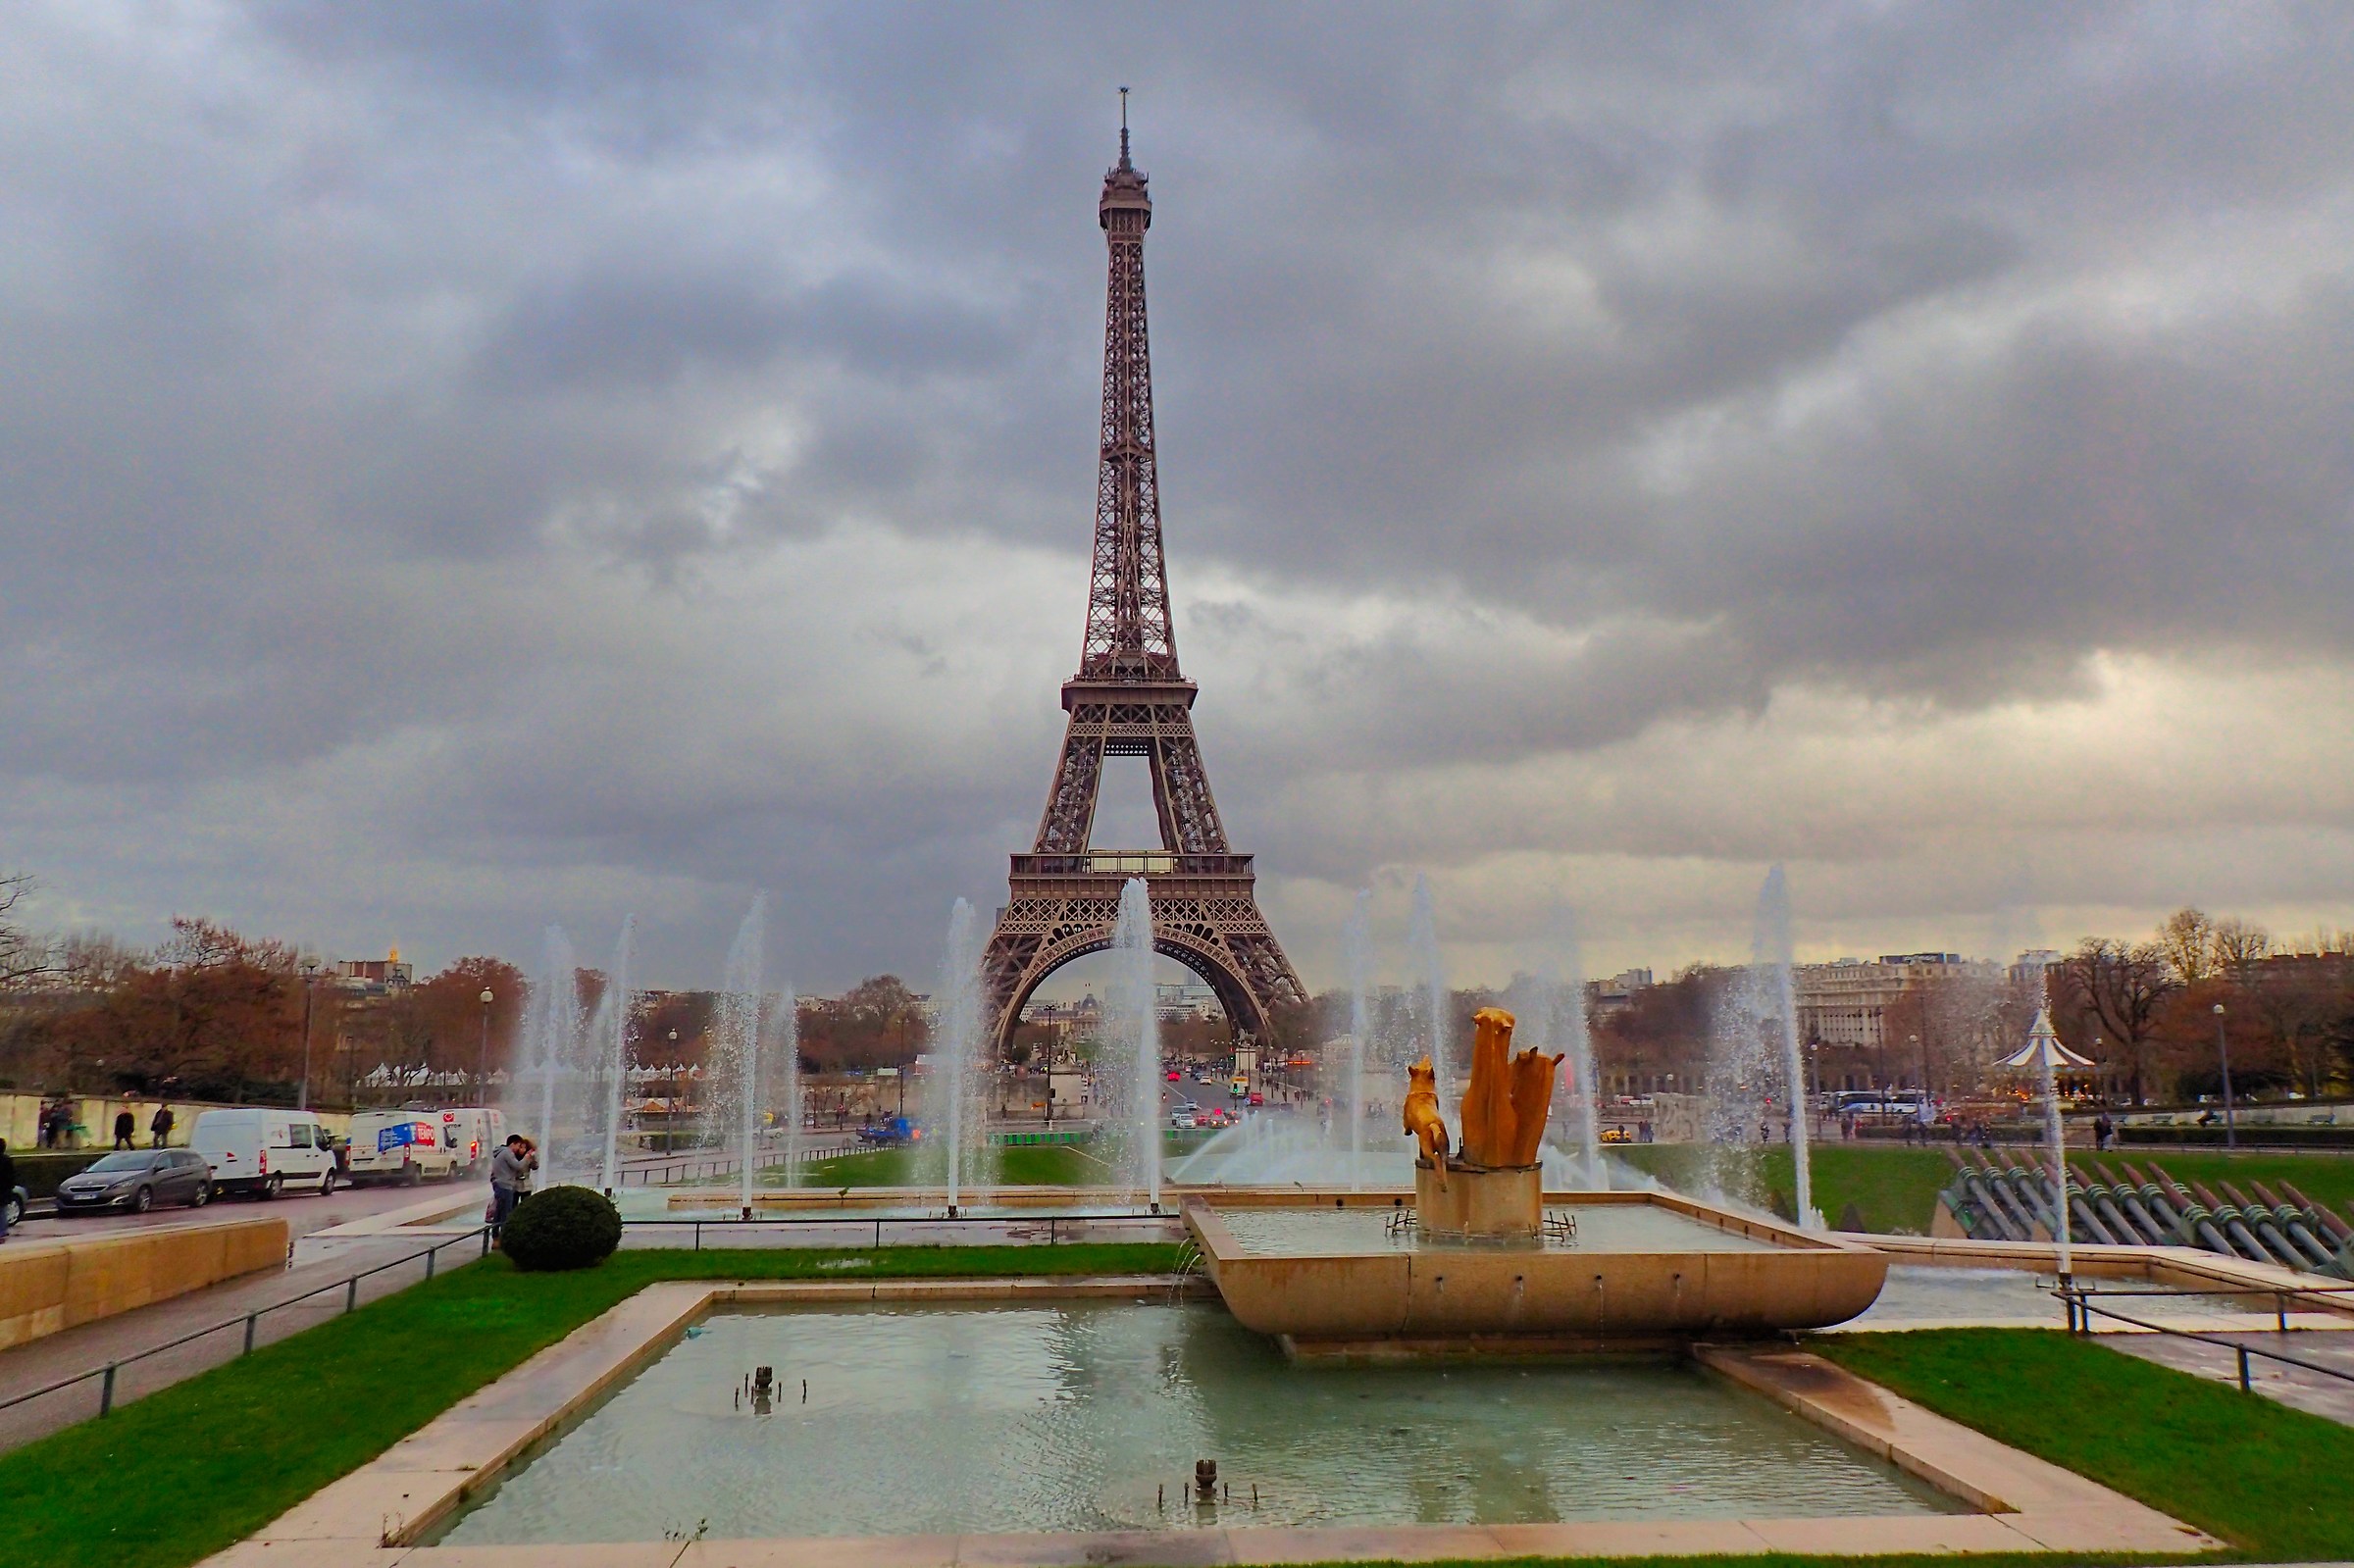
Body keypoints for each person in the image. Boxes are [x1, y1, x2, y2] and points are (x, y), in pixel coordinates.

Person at [488, 1134, 537, 1237]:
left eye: (523, 1147)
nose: (519, 1149)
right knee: (506, 1212)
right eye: (519, 1146)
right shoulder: (508, 1153)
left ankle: (497, 1235)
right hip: (507, 1185)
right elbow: (518, 1166)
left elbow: (534, 1166)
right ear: (513, 1144)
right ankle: (505, 1236)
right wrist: (527, 1157)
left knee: (501, 1212)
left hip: (508, 1185)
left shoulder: (502, 1153)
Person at [0, 1137, 14, 1243]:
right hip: (4, 1190)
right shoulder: (7, 1160)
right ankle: (2, 1231)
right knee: (2, 1211)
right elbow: (11, 1176)